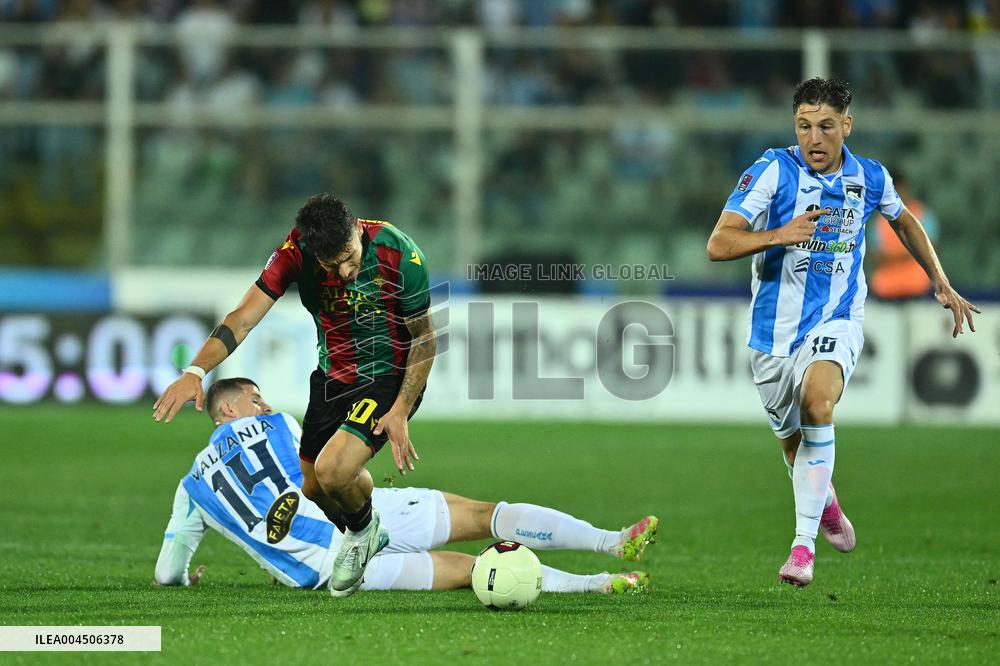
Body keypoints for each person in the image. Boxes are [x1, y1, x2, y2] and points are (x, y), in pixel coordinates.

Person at [706, 78, 980, 586]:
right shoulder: (771, 169)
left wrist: (941, 282)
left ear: (846, 125)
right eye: (804, 126)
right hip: (771, 335)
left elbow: (904, 222)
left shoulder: (870, 177)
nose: (815, 138)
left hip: (837, 319)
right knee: (793, 446)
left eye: (826, 126)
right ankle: (824, 501)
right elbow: (719, 244)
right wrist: (779, 234)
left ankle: (802, 548)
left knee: (819, 403)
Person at [153, 194, 438, 597]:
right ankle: (365, 529)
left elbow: (424, 339)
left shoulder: (399, 253)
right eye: (330, 264)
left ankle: (365, 532)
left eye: (347, 256)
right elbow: (242, 319)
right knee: (314, 487)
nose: (343, 271)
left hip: (387, 376)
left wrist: (401, 410)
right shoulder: (293, 255)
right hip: (332, 376)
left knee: (334, 470)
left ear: (358, 228)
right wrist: (195, 371)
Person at [154, 378, 659, 595]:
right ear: (227, 409)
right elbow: (323, 475)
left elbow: (167, 569)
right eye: (254, 400)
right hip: (355, 519)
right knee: (482, 517)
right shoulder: (280, 423)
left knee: (471, 568)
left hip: (322, 567)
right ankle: (609, 544)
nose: (263, 406)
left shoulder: (190, 486)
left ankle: (599, 577)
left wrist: (183, 580)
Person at [869, 168, 939, 301]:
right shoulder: (878, 220)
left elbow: (931, 251)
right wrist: (910, 252)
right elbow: (875, 258)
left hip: (917, 288)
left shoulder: (922, 213)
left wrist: (891, 258)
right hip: (885, 289)